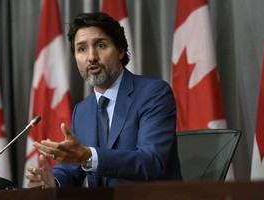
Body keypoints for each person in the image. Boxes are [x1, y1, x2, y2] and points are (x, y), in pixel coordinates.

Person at [25, 12, 182, 188]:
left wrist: (88, 157)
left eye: (100, 45)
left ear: (120, 51)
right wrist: (52, 180)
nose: (91, 57)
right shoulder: (82, 110)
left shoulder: (153, 94)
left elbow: (151, 162)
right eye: (82, 49)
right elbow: (72, 167)